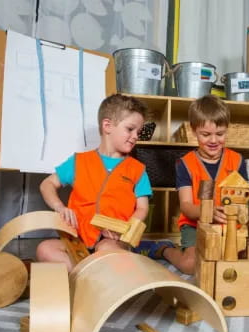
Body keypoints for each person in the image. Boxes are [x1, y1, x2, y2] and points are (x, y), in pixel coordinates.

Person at [36, 94, 171, 271]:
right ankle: (90, 274)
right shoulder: (79, 161)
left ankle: (88, 272)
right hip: (77, 238)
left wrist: (124, 229)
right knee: (45, 249)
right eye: (130, 129)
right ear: (107, 126)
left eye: (138, 132)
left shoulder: (137, 169)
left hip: (113, 240)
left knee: (107, 251)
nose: (135, 136)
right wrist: (60, 207)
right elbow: (47, 184)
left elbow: (142, 208)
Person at [160, 94, 248, 274]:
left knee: (235, 264)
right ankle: (164, 249)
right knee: (191, 266)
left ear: (227, 130)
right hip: (194, 225)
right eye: (206, 135)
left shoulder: (237, 160)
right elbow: (185, 206)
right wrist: (208, 213)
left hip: (229, 225)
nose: (214, 141)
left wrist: (238, 214)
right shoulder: (185, 164)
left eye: (220, 134)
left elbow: (244, 199)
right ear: (193, 131)